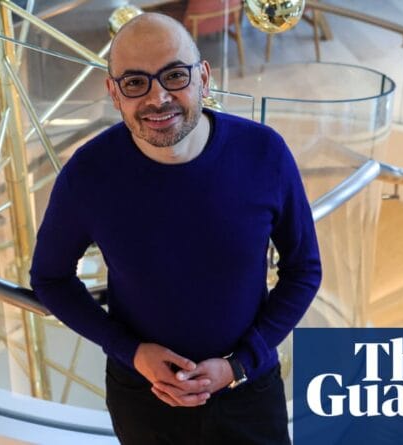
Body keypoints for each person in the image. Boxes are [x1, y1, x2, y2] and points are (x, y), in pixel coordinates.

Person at [30, 13, 321, 445]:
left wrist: (240, 364)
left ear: (203, 77)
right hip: (143, 396)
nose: (158, 98)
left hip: (248, 390)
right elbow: (50, 278)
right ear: (113, 92)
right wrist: (131, 352)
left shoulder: (264, 153)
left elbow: (304, 270)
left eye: (174, 75)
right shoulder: (88, 175)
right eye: (135, 82)